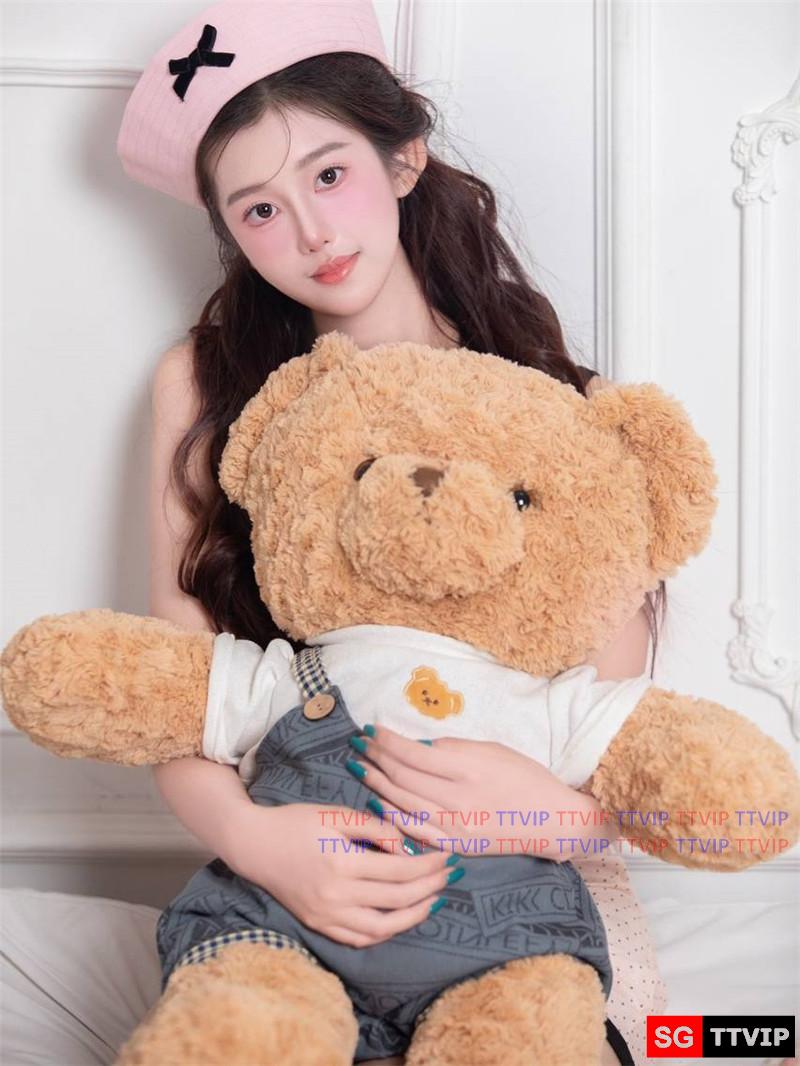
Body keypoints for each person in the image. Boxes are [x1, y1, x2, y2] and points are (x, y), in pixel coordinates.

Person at [124, 1, 668, 1061]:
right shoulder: (205, 384)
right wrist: (262, 843)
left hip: (517, 897)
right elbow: (170, 686)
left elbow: (616, 738)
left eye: (329, 174)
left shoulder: (541, 402)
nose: (312, 233)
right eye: (260, 209)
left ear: (404, 158)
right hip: (298, 876)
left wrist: (541, 815)